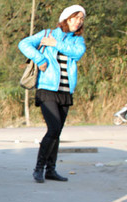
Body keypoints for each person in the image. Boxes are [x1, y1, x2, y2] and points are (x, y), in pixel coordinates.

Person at [19, 5, 87, 183]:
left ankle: (51, 169)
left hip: (65, 91)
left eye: (81, 18)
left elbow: (78, 53)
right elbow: (24, 43)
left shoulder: (77, 41)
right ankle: (38, 168)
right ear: (66, 18)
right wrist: (40, 59)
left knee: (58, 132)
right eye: (75, 17)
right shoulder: (47, 34)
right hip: (47, 89)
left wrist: (56, 44)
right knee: (54, 128)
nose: (78, 21)